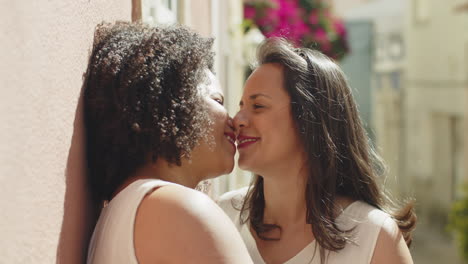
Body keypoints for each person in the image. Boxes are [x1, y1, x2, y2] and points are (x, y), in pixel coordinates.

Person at [218, 38, 416, 264]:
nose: (237, 120)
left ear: (310, 120)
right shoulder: (223, 216)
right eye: (241, 106)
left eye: (258, 106)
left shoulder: (375, 237)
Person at [84, 21, 252, 264]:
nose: (233, 120)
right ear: (172, 103)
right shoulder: (183, 210)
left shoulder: (118, 212)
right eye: (217, 100)